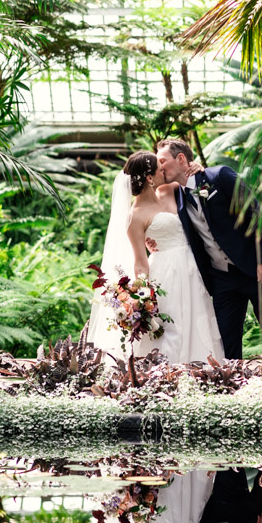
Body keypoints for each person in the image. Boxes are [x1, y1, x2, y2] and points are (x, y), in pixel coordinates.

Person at [155, 138, 262, 359]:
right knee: (226, 345)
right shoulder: (175, 196)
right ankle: (235, 391)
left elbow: (254, 213)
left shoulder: (219, 176)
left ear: (181, 158)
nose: (160, 166)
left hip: (255, 269)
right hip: (222, 280)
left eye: (163, 160)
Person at [88, 150, 224, 365]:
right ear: (149, 177)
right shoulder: (135, 216)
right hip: (165, 274)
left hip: (191, 268)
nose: (164, 170)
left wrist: (196, 166)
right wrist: (142, 298)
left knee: (198, 320)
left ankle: (204, 369)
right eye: (160, 168)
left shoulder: (171, 191)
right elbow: (140, 262)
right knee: (173, 327)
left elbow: (189, 179)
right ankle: (170, 373)